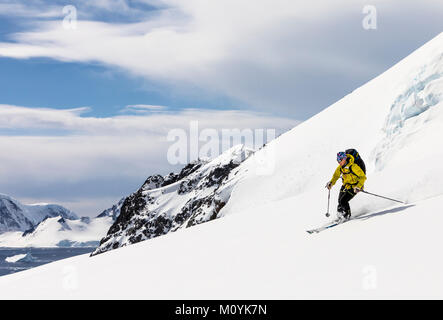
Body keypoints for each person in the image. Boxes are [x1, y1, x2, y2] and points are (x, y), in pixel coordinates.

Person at [325, 151, 367, 220]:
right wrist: (331, 183)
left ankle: (347, 216)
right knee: (340, 203)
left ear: (344, 158)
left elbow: (363, 177)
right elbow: (336, 176)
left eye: (340, 160)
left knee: (343, 201)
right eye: (337, 160)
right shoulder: (340, 168)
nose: (339, 162)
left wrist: (359, 186)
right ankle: (340, 216)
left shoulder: (353, 166)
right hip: (346, 185)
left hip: (354, 187)